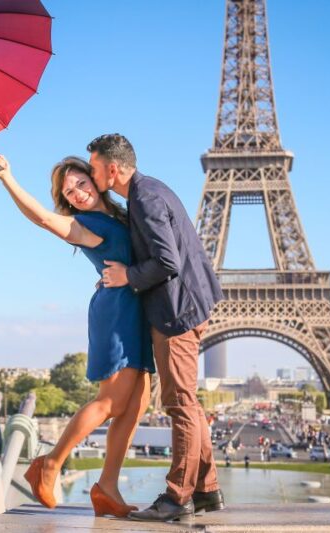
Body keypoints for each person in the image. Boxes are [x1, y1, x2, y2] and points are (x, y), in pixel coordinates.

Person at [0, 154, 155, 518]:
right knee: (111, 402)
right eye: (69, 191)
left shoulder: (121, 213)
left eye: (81, 182)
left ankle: (108, 486)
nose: (77, 193)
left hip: (134, 310)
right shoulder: (82, 224)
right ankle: (49, 464)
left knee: (138, 403)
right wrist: (8, 178)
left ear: (94, 179)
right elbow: (43, 218)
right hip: (116, 312)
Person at [87, 134, 224, 521]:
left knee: (179, 404)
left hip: (175, 311)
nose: (92, 174)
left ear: (112, 169)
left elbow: (168, 261)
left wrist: (127, 275)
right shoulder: (149, 189)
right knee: (189, 403)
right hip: (185, 305)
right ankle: (208, 488)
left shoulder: (144, 199)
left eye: (94, 168)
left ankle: (177, 498)